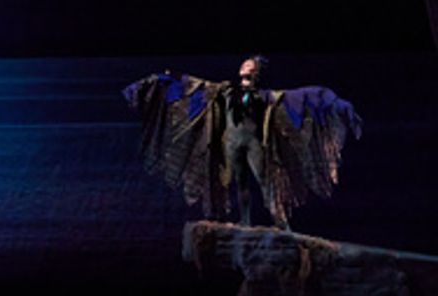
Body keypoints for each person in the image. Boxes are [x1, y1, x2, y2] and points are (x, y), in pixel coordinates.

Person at [123, 56, 362, 230]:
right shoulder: (225, 91)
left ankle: (281, 222)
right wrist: (157, 81)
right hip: (232, 143)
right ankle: (245, 220)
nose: (245, 67)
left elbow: (307, 95)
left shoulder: (266, 97)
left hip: (253, 142)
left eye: (250, 65)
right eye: (244, 64)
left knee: (265, 180)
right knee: (240, 183)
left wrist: (338, 105)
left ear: (256, 72)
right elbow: (189, 85)